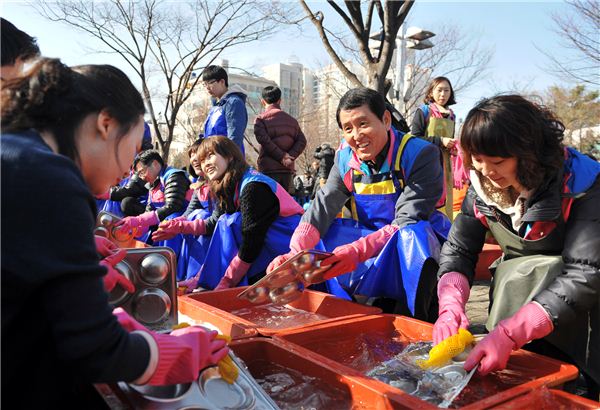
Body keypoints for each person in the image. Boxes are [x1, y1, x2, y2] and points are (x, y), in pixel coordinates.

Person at [1, 58, 228, 408]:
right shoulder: (49, 177)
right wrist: (170, 353)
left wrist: (71, 279)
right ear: (105, 124)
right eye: (132, 151)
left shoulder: (16, 154)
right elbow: (91, 348)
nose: (128, 171)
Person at [433, 95, 599, 398]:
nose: (486, 172)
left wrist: (511, 333)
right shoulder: (482, 188)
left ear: (530, 153)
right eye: (477, 160)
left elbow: (584, 274)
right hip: (521, 301)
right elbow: (459, 250)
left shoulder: (583, 186)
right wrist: (450, 305)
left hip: (585, 305)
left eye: (497, 162)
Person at [268, 88, 450, 319]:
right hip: (370, 238)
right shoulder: (345, 158)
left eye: (363, 124)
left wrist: (357, 251)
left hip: (414, 243)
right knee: (322, 233)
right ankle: (331, 312)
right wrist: (296, 256)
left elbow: (407, 219)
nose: (356, 135)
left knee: (413, 235)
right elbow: (323, 205)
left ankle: (416, 318)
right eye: (348, 128)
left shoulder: (420, 153)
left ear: (385, 120)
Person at [159, 136, 304, 292]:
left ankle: (231, 287)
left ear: (229, 156)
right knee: (224, 221)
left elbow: (251, 244)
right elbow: (212, 225)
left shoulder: (253, 187)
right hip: (264, 245)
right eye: (202, 160)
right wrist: (179, 227)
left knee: (229, 222)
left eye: (210, 156)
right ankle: (204, 281)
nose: (205, 164)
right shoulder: (228, 186)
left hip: (289, 245)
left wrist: (227, 282)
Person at [115, 149, 191, 243]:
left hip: (179, 225)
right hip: (161, 225)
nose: (142, 177)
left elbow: (173, 206)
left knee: (168, 220)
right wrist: (137, 229)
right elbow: (149, 209)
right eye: (139, 175)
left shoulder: (174, 176)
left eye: (142, 172)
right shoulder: (153, 183)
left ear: (155, 164)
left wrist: (138, 220)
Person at [411, 76, 459, 217]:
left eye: (446, 90)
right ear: (431, 92)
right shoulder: (423, 111)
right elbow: (415, 138)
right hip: (426, 163)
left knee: (446, 197)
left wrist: (452, 145)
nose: (443, 94)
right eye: (439, 90)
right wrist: (440, 141)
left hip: (445, 164)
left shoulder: (452, 115)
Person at [254, 85, 307, 193]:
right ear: (280, 101)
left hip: (268, 170)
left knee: (269, 204)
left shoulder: (260, 119)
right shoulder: (292, 121)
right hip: (287, 171)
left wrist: (282, 156)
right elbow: (302, 141)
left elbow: (265, 141)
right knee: (286, 206)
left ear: (263, 102)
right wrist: (289, 157)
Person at [202, 65, 248, 155]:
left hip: (227, 159)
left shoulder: (233, 103)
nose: (207, 87)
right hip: (214, 158)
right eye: (205, 84)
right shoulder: (215, 107)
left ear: (222, 81)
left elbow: (234, 136)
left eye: (210, 82)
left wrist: (229, 159)